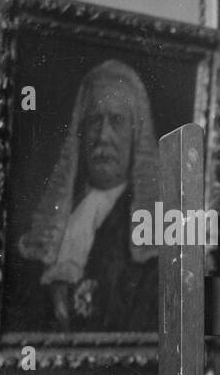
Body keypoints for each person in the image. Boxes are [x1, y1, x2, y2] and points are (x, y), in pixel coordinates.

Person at [18, 60, 160, 331]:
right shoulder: (56, 221)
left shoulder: (151, 228)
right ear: (80, 134)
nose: (103, 136)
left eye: (116, 121)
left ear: (136, 135)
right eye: (95, 121)